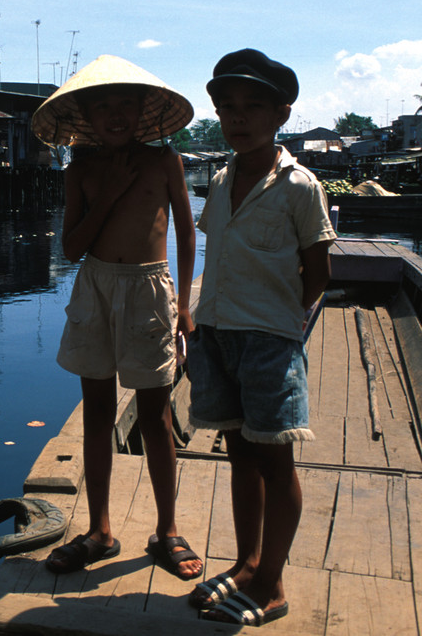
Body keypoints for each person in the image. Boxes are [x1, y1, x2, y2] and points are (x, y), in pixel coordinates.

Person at [30, 55, 202, 580]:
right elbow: (73, 246)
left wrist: (184, 308)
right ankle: (100, 529)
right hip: (97, 289)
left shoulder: (164, 161)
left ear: (142, 111)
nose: (115, 115)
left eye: (124, 105)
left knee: (156, 415)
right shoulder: (80, 170)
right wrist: (106, 196)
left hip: (150, 288)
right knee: (97, 411)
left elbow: (186, 232)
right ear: (87, 118)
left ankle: (168, 530)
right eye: (103, 107)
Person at [187, 49, 336, 626]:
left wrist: (283, 322)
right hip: (218, 335)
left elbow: (317, 272)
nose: (238, 119)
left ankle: (272, 584)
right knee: (240, 456)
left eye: (252, 108)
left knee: (277, 461)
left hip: (269, 339)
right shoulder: (221, 180)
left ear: (282, 114)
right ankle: (247, 564)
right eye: (227, 109)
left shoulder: (300, 185)